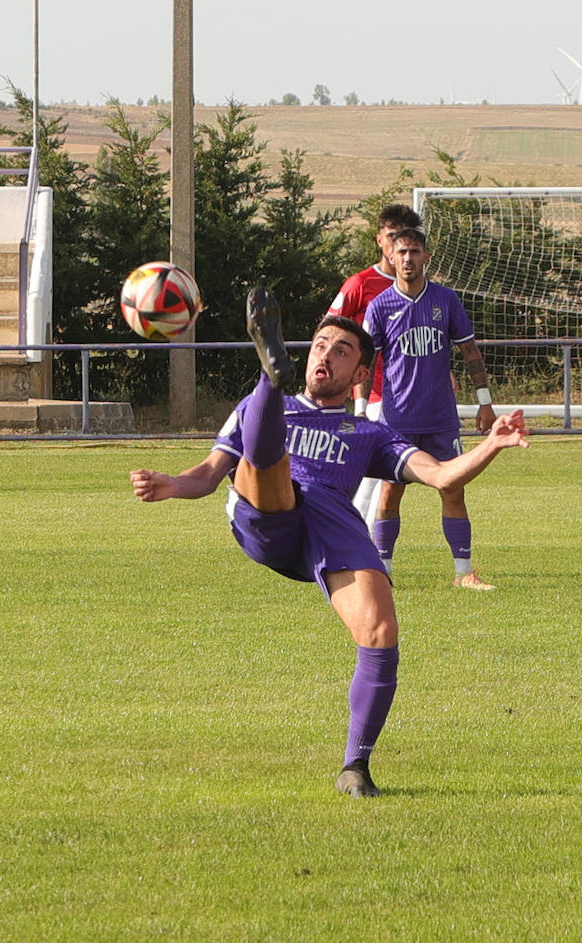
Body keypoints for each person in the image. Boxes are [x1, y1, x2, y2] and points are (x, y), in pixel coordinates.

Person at [129, 290, 529, 797]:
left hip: (332, 520)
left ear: (361, 375)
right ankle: (269, 379)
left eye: (342, 351)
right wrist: (172, 484)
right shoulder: (257, 413)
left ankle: (355, 767)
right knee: (268, 465)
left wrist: (492, 442)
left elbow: (443, 474)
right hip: (267, 512)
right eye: (320, 345)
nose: (326, 355)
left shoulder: (370, 434)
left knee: (381, 629)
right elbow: (210, 475)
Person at [358, 227, 500, 590]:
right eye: (401, 252)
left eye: (414, 252)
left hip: (440, 419)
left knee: (454, 490)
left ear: (426, 257)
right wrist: (360, 411)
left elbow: (470, 352)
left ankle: (463, 573)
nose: (408, 259)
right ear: (391, 256)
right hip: (397, 421)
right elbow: (365, 362)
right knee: (390, 493)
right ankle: (383, 571)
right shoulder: (380, 306)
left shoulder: (446, 300)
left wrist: (485, 404)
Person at [324, 203, 424, 527]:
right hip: (375, 393)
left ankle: (356, 540)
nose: (398, 245)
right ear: (380, 240)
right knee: (371, 473)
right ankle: (351, 538)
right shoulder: (361, 284)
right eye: (391, 236)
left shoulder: (415, 289)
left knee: (389, 478)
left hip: (408, 396)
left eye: (404, 238)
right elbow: (329, 327)